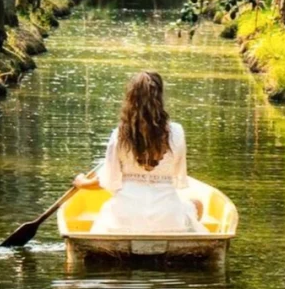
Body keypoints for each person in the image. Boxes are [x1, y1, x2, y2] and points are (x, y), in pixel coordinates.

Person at [76, 71, 201, 235]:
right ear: (160, 97)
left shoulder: (119, 134)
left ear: (130, 99)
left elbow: (109, 181)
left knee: (108, 210)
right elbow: (177, 175)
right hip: (168, 218)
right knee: (197, 205)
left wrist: (81, 183)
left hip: (123, 220)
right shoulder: (177, 132)